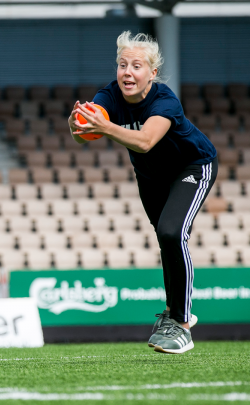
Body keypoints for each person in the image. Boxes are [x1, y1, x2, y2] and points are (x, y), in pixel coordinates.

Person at [68, 31, 217, 354]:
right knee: (167, 238)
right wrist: (76, 127)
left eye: (137, 66)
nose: (127, 72)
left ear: (152, 73)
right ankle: (172, 315)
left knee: (171, 232)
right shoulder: (108, 95)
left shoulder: (165, 101)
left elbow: (146, 140)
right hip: (150, 177)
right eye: (122, 65)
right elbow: (82, 136)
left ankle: (181, 322)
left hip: (192, 167)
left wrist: (104, 128)